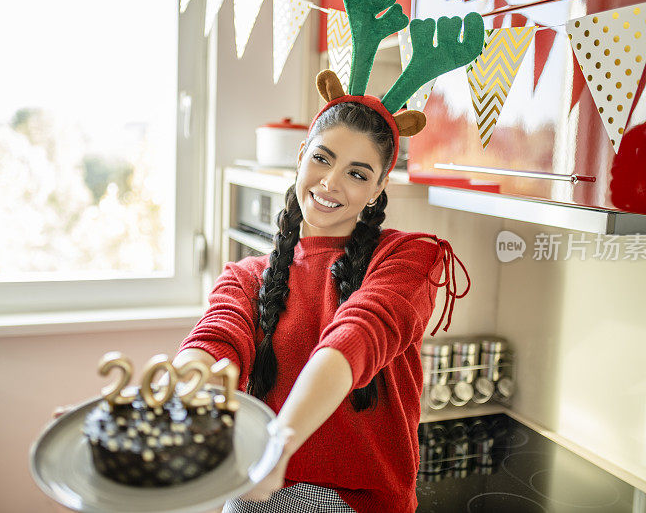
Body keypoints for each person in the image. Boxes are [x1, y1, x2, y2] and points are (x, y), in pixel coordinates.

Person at [174, 77, 470, 512]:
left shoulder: (412, 258)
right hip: (259, 491)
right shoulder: (247, 276)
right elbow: (214, 342)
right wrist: (163, 400)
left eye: (357, 173)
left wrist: (280, 444)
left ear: (377, 191)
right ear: (300, 158)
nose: (331, 182)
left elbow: (355, 337)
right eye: (322, 158)